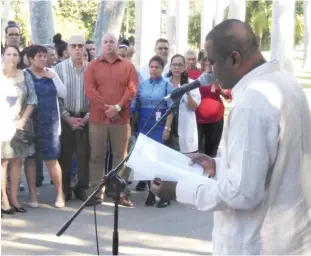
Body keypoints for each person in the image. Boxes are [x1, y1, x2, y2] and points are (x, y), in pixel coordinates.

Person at [151, 19, 311, 255]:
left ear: (234, 59)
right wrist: (217, 164)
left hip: (257, 243)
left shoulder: (253, 102)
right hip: (290, 239)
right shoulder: (287, 83)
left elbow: (242, 193)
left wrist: (178, 190)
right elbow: (269, 161)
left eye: (213, 62)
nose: (209, 71)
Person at [84, 33, 138, 207]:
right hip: (98, 119)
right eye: (105, 41)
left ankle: (119, 192)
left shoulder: (128, 66)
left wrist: (118, 107)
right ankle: (95, 192)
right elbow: (90, 91)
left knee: (120, 157)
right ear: (101, 45)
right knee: (96, 157)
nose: (108, 45)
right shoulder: (92, 66)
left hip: (121, 120)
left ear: (117, 45)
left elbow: (132, 89)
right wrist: (108, 108)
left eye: (112, 42)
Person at [25, 44, 66, 208]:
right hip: (30, 123)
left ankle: (59, 193)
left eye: (44, 55)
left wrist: (53, 77)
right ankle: (33, 195)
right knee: (31, 160)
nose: (43, 58)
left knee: (52, 160)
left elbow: (63, 93)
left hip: (50, 123)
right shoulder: (25, 75)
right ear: (30, 59)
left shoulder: (52, 72)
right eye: (39, 56)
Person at [131, 55, 174, 208]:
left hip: (159, 125)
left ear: (162, 69)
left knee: (158, 162)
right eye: (152, 67)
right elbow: (135, 107)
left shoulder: (167, 86)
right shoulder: (142, 85)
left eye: (157, 67)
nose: (154, 70)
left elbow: (171, 110)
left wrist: (167, 128)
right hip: (144, 124)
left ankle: (164, 195)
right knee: (147, 161)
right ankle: (151, 193)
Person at [1, 45, 37, 214]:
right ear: (3, 56)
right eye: (8, 54)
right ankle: (4, 199)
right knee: (3, 163)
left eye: (15, 54)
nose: (12, 57)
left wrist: (23, 120)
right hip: (2, 124)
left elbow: (32, 100)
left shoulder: (26, 75)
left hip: (19, 125)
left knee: (17, 161)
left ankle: (14, 198)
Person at [54, 35, 90, 203]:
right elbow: (55, 98)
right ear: (67, 49)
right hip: (65, 118)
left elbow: (97, 96)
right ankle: (65, 189)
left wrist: (87, 118)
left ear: (85, 49)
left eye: (80, 46)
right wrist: (67, 118)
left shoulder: (92, 69)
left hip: (86, 118)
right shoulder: (58, 69)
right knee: (65, 156)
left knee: (84, 156)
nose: (77, 49)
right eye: (73, 46)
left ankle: (82, 188)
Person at [166, 54, 201, 154]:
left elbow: (193, 107)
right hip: (167, 129)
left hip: (186, 129)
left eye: (180, 65)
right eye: (174, 65)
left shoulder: (192, 84)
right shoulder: (165, 83)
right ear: (170, 66)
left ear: (185, 67)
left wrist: (187, 91)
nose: (177, 67)